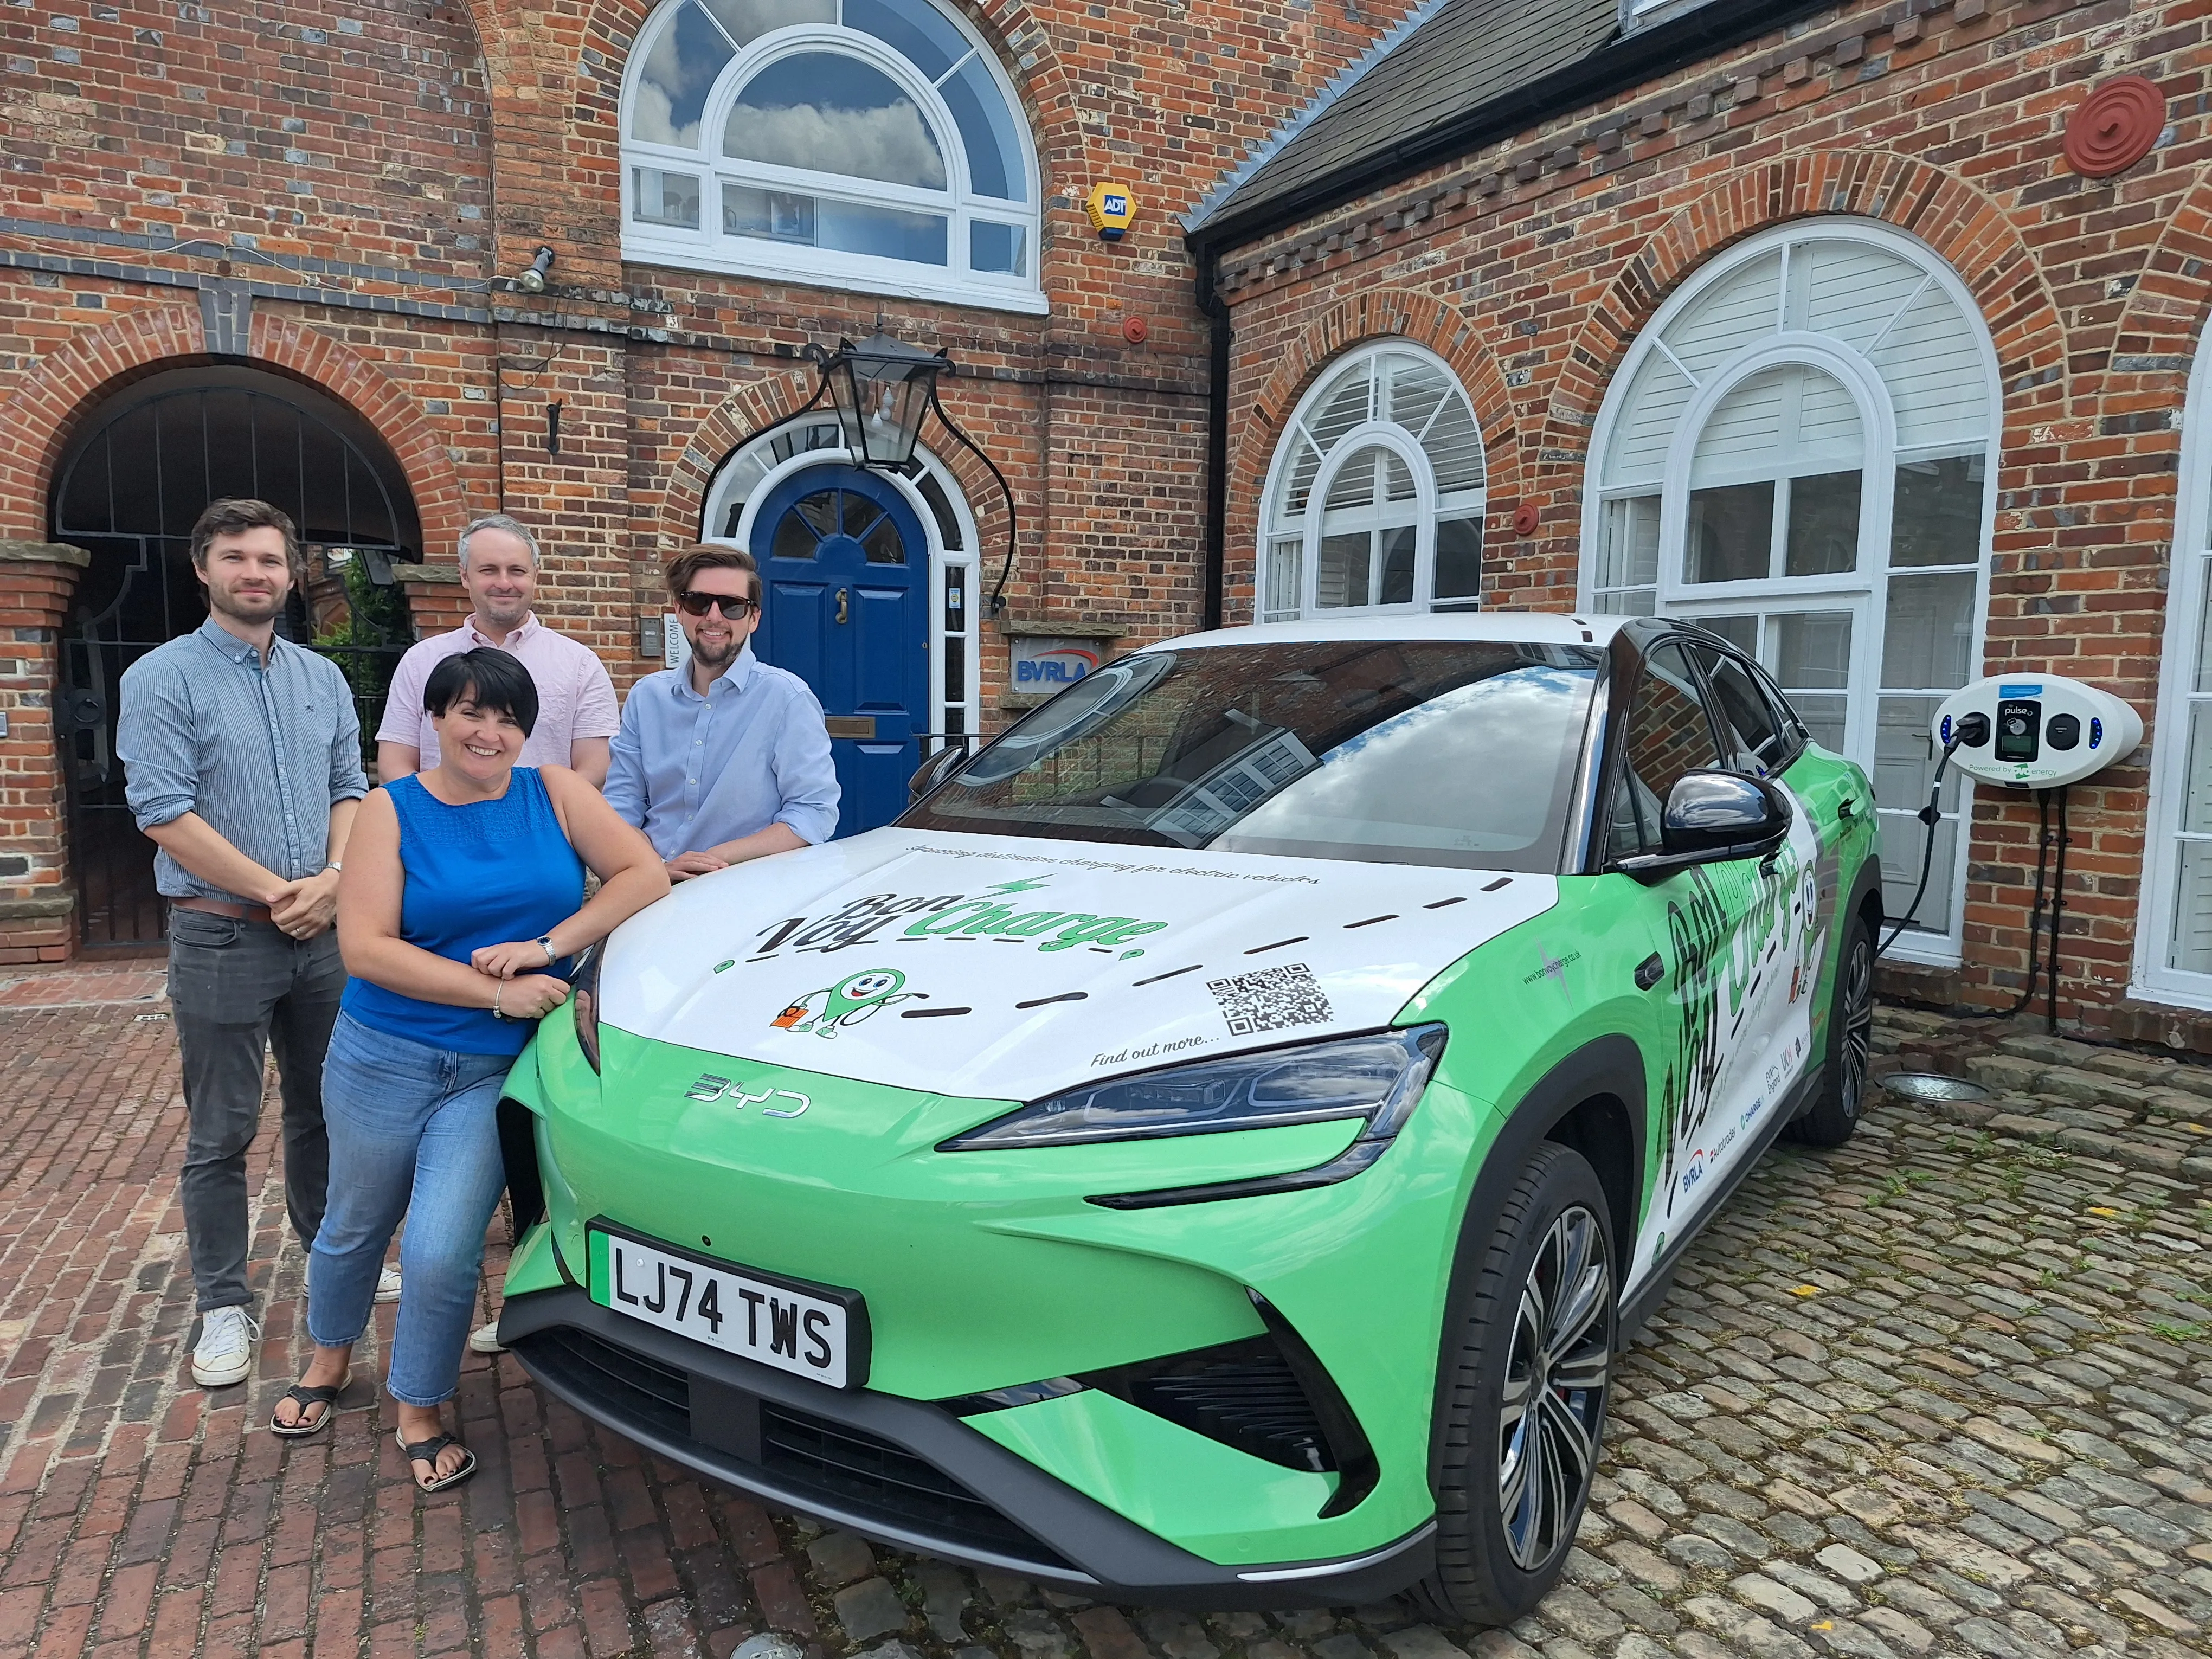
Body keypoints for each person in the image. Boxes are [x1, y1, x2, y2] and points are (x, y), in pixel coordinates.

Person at [269, 648, 666, 1490]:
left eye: (508, 718)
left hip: (491, 1072)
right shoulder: (392, 808)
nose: (490, 732)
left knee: (445, 1251)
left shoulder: (555, 792)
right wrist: (499, 995)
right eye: (471, 713)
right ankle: (329, 1356)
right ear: (437, 721)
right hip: (386, 1054)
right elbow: (367, 949)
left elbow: (644, 873)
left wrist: (549, 950)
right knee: (355, 1223)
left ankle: (420, 1403)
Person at [117, 498, 370, 1391]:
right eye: (236, 558)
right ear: (204, 569)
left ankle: (331, 1255)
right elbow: (162, 813)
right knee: (221, 1132)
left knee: (325, 1111)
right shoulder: (160, 678)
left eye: (270, 558)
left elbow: (351, 785)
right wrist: (275, 891)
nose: (255, 573)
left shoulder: (321, 679)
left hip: (322, 936)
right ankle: (223, 1300)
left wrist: (336, 881)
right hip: (223, 934)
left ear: (293, 571)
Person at [605, 544, 839, 881]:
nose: (714, 616)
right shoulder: (647, 697)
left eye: (732, 606)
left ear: (754, 618)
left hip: (746, 888)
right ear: (679, 611)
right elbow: (622, 805)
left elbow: (813, 813)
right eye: (699, 602)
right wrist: (651, 866)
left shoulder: (786, 699)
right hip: (651, 884)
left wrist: (711, 861)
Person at [376, 513, 619, 786]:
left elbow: (596, 767)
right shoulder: (422, 661)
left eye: (517, 571)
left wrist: (540, 819)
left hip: (545, 826)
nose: (504, 583)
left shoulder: (579, 665)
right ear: (465, 576)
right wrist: (435, 817)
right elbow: (394, 762)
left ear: (536, 576)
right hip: (442, 826)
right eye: (488, 570)